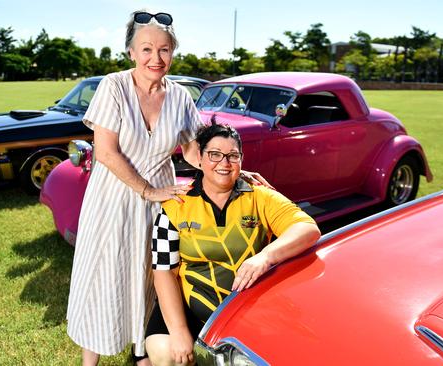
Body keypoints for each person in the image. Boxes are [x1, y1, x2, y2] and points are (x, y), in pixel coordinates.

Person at [66, 11, 270, 366]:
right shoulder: (113, 86)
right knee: (104, 276)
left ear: (173, 52)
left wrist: (233, 170)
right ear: (131, 51)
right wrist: (145, 189)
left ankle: (141, 353)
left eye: (164, 50)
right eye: (146, 49)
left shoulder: (179, 97)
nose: (155, 59)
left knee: (150, 278)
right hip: (114, 196)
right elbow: (106, 152)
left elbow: (194, 151)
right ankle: (90, 362)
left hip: (159, 198)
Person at [145, 124, 321, 366]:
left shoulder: (260, 196)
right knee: (165, 352)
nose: (224, 162)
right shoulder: (176, 206)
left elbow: (307, 228)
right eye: (214, 154)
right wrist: (178, 331)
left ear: (241, 159)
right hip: (191, 306)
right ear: (199, 157)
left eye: (232, 156)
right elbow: (164, 272)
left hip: (247, 306)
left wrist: (265, 256)